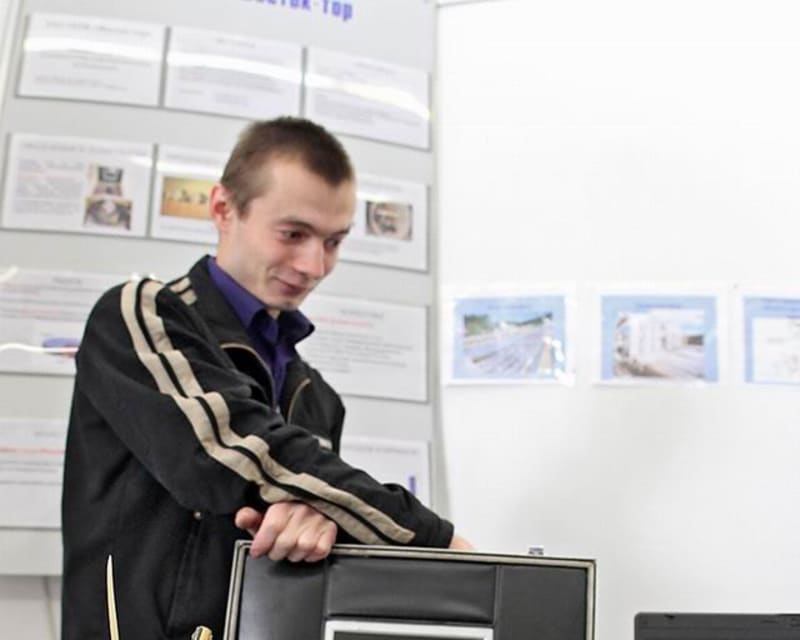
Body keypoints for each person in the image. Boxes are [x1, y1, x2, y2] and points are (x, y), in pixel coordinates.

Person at [61, 117, 470, 640]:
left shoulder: (317, 397)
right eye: (293, 234)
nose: (314, 265)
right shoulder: (142, 314)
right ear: (223, 209)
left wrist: (319, 516)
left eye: (334, 241)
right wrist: (437, 540)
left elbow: (297, 504)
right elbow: (228, 455)